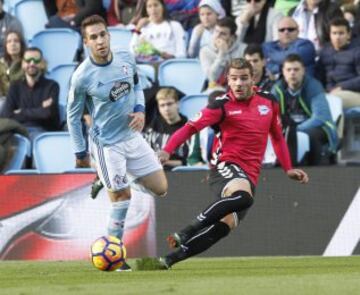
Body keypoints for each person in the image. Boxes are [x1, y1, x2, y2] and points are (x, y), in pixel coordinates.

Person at [155, 58, 308, 269]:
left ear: (253, 79)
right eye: (234, 79)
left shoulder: (269, 102)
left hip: (250, 173)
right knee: (243, 198)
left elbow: (278, 137)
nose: (238, 84)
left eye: (243, 78)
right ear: (228, 80)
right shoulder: (221, 105)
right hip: (225, 166)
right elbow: (190, 128)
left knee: (224, 227)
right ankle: (187, 231)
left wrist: (288, 168)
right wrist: (166, 149)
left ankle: (169, 260)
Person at [66, 15, 168, 271]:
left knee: (161, 188)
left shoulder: (125, 57)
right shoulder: (82, 77)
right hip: (107, 145)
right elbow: (73, 116)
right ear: (86, 42)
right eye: (94, 38)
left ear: (109, 35)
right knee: (122, 197)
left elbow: (136, 87)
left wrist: (140, 110)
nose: (100, 41)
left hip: (132, 136)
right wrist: (80, 151)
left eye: (103, 35)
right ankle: (116, 258)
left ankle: (106, 178)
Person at [272, 54, 338, 165]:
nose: (292, 73)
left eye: (296, 69)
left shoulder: (314, 86)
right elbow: (272, 116)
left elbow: (320, 117)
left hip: (317, 127)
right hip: (290, 128)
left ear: (303, 71)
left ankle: (319, 170)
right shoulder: (277, 89)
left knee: (311, 135)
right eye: (289, 70)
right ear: (283, 72)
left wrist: (296, 129)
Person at [1, 47, 60, 141]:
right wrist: (39, 111)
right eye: (28, 60)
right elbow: (6, 115)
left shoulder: (52, 86)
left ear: (42, 63)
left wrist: (21, 111)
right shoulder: (15, 87)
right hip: (18, 132)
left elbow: (47, 114)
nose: (32, 63)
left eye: (36, 60)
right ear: (23, 63)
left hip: (43, 135)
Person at [316, 17, 360, 110]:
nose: (337, 37)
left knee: (333, 100)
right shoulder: (325, 51)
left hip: (354, 94)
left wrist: (342, 87)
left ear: (348, 34)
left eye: (341, 33)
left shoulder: (357, 51)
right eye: (334, 33)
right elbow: (318, 75)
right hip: (329, 92)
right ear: (330, 35)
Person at [144, 87, 189, 170]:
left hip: (179, 173)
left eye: (169, 104)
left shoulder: (188, 128)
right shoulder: (152, 125)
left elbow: (188, 162)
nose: (166, 109)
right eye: (162, 105)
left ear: (178, 104)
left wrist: (166, 163)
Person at [200, 17, 246, 91]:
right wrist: (222, 54)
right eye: (216, 31)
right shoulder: (205, 51)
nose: (217, 36)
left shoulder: (243, 49)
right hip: (215, 89)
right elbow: (212, 78)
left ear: (232, 37)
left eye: (223, 34)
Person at [0, 30, 26, 108]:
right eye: (9, 41)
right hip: (4, 101)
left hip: (24, 101)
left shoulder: (28, 63)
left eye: (16, 41)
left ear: (21, 45)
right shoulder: (0, 64)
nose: (13, 44)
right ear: (5, 46)